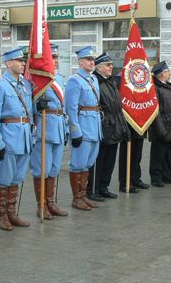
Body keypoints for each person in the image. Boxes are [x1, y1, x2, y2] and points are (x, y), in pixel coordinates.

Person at [0, 47, 33, 231]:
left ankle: (12, 213)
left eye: (23, 61)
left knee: (18, 177)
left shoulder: (25, 85)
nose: (23, 63)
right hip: (8, 137)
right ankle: (2, 216)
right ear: (8, 63)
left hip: (24, 138)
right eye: (19, 61)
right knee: (4, 178)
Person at [30, 45, 69, 219]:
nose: (55, 60)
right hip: (44, 129)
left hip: (58, 127)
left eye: (56, 57)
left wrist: (67, 128)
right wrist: (36, 106)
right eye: (51, 57)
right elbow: (25, 102)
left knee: (54, 168)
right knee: (42, 169)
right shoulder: (35, 80)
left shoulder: (59, 79)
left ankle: (51, 203)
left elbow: (64, 106)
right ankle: (41, 206)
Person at [65, 46, 103, 211]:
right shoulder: (74, 80)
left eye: (93, 60)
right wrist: (75, 130)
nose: (91, 62)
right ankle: (77, 198)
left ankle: (83, 195)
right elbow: (71, 108)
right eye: (88, 59)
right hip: (83, 127)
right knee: (78, 164)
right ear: (80, 62)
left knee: (87, 164)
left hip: (95, 126)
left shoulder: (93, 80)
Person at [89, 52, 129, 199]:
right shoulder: (95, 82)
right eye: (108, 65)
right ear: (99, 67)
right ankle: (93, 189)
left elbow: (117, 106)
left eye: (111, 64)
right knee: (99, 160)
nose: (111, 67)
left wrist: (123, 126)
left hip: (115, 124)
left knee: (110, 160)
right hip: (103, 124)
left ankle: (104, 186)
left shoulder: (112, 81)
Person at [148, 61, 171, 186]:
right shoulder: (155, 88)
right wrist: (160, 129)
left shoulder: (168, 86)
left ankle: (167, 175)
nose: (169, 73)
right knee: (158, 154)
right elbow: (155, 111)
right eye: (167, 71)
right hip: (162, 126)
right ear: (162, 74)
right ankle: (156, 178)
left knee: (168, 153)